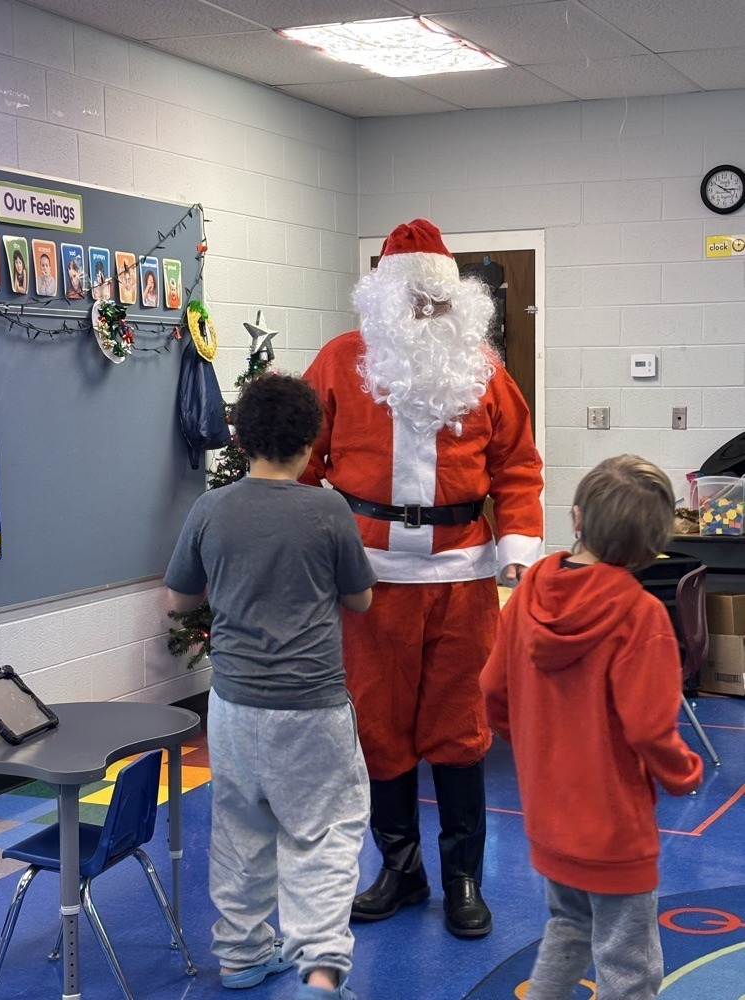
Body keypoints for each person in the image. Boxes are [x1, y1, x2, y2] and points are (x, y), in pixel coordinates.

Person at [301, 218, 543, 938]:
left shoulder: (484, 371)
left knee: (461, 729)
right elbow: (301, 461)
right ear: (381, 300)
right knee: (380, 727)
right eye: (410, 302)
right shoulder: (341, 361)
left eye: (434, 303)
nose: (423, 316)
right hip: (367, 585)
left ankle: (464, 878)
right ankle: (401, 872)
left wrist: (519, 553)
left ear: (455, 303)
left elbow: (518, 467)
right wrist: (313, 545)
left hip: (462, 581)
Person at [165, 374, 376, 1000]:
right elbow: (360, 600)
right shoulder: (327, 509)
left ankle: (242, 957)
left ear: (241, 436)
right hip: (312, 707)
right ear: (311, 440)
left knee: (238, 827)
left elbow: (181, 597)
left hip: (232, 704)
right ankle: (319, 969)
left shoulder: (211, 508)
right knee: (326, 832)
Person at [480, 454, 703, 999]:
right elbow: (651, 729)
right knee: (629, 963)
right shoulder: (641, 615)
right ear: (654, 545)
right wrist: (684, 773)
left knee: (568, 927)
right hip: (614, 827)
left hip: (548, 813)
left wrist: (534, 745)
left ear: (576, 518)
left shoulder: (529, 593)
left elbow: (490, 691)